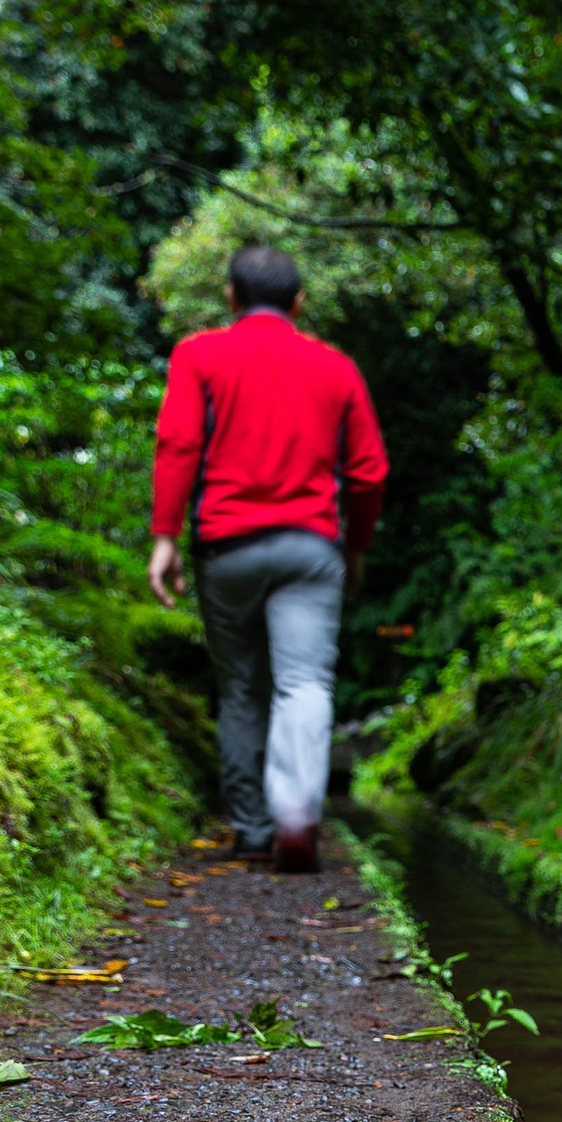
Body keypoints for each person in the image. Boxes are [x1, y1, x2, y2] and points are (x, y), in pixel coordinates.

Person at [147, 244, 389, 872]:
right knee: (303, 684)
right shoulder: (335, 367)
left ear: (230, 296)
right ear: (300, 302)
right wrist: (355, 547)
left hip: (227, 549)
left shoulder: (199, 355)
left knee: (242, 690)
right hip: (310, 549)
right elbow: (368, 471)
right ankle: (297, 819)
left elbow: (178, 442)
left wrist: (166, 536)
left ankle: (252, 830)